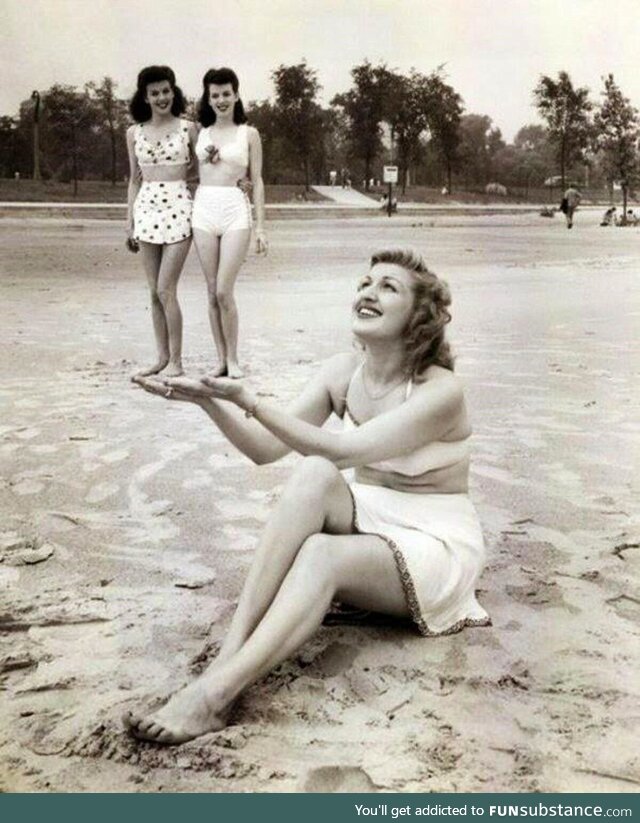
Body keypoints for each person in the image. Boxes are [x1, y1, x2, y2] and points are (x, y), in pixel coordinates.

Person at [124, 248, 490, 745]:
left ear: (418, 318)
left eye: (389, 287)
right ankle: (229, 654)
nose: (369, 291)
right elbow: (265, 449)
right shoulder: (343, 372)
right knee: (312, 475)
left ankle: (215, 696)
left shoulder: (441, 390)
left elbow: (342, 450)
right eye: (366, 282)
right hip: (374, 515)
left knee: (321, 548)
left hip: (435, 542)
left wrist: (251, 400)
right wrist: (208, 401)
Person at [192, 67, 267, 379]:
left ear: (236, 94)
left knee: (224, 290)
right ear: (208, 99)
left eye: (226, 94)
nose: (221, 100)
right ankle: (221, 359)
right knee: (211, 291)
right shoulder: (200, 132)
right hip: (204, 208)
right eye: (214, 95)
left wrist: (261, 227)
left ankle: (234, 359)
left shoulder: (248, 134)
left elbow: (258, 181)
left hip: (236, 209)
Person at [126, 65, 198, 378]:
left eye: (166, 90)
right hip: (146, 211)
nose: (161, 97)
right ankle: (161, 357)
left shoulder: (189, 128)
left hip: (180, 208)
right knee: (153, 292)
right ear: (145, 96)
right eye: (154, 93)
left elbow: (201, 173)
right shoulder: (133, 132)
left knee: (167, 288)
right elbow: (133, 180)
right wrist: (129, 221)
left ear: (174, 91)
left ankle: (177, 362)